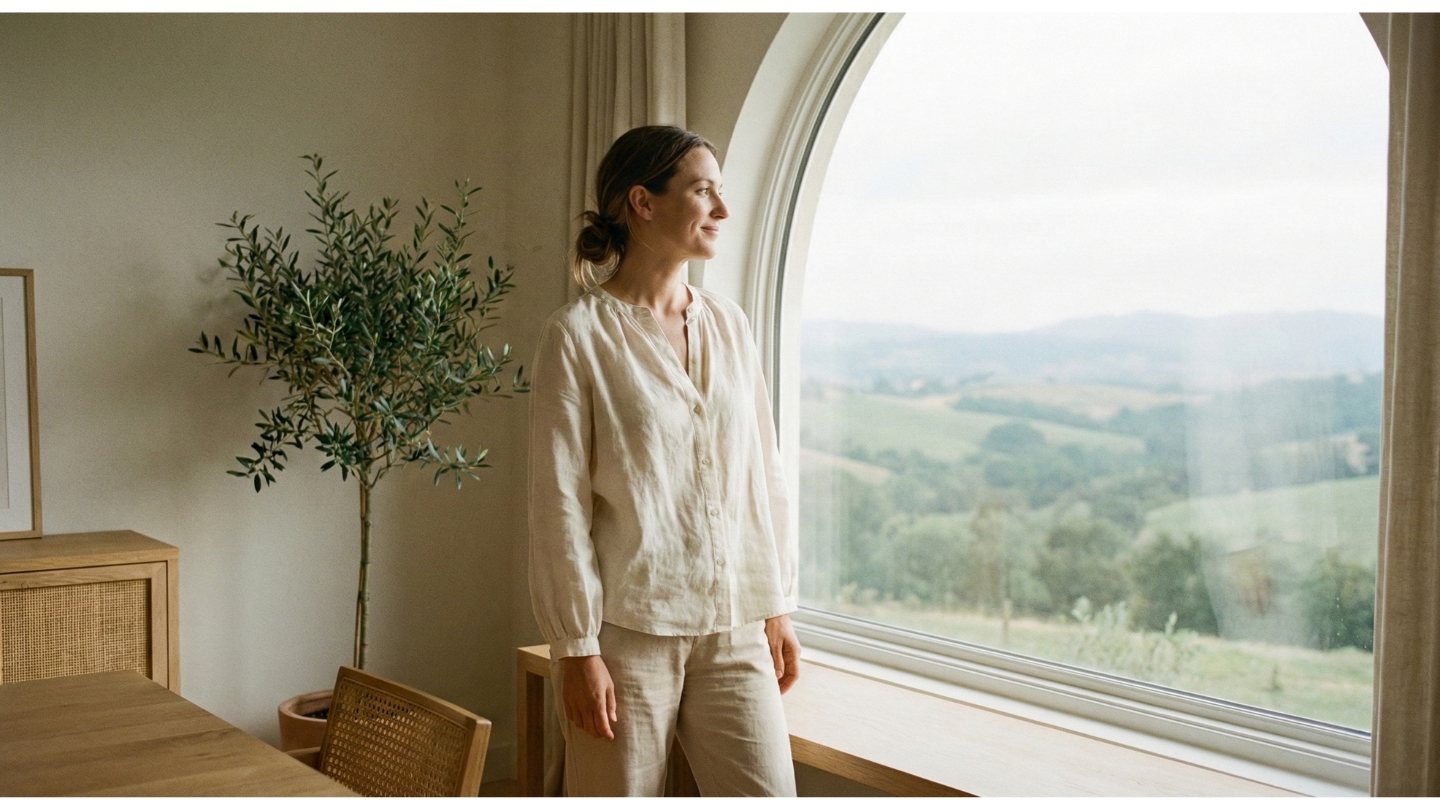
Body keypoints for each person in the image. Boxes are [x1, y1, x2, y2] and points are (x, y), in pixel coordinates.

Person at [527, 125, 801, 797]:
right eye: (703, 190)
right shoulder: (578, 336)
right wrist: (576, 647)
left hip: (737, 625)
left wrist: (779, 603)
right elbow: (557, 503)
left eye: (720, 192)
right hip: (629, 636)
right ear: (643, 203)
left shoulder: (729, 325)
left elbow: (763, 470)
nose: (722, 210)